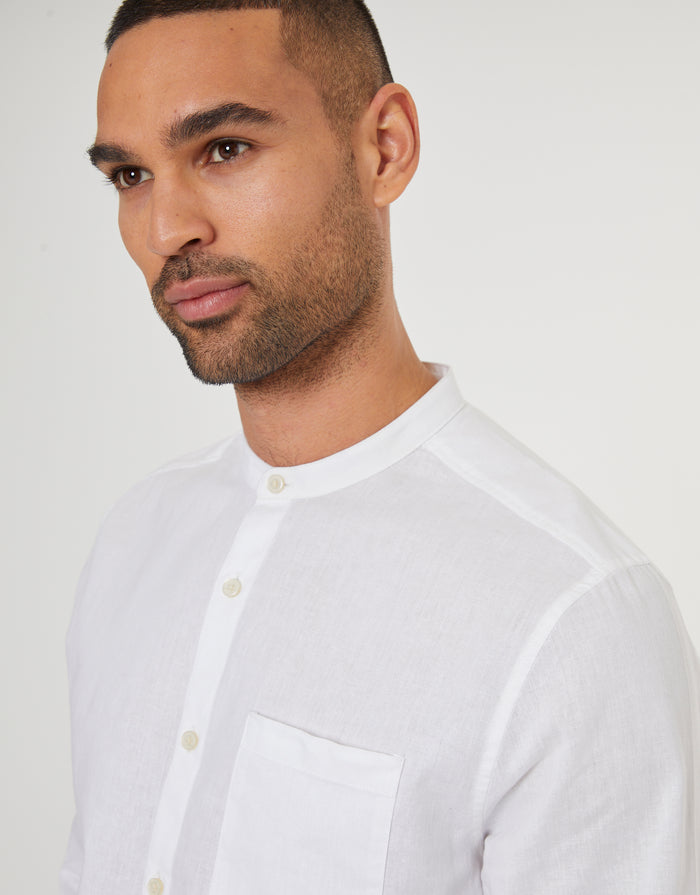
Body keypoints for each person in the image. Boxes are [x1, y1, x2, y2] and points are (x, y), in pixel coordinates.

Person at [62, 1, 699, 893]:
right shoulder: (136, 540)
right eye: (130, 175)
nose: (168, 229)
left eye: (225, 148)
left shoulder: (573, 617)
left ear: (385, 148)